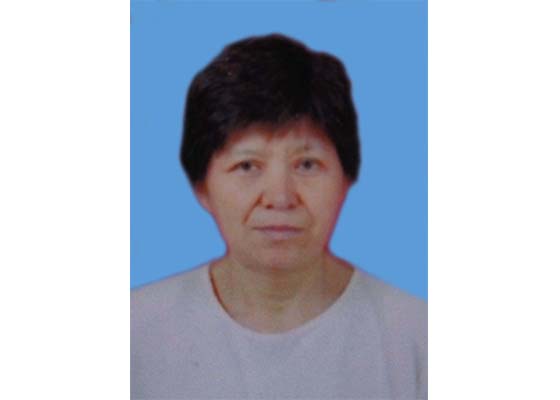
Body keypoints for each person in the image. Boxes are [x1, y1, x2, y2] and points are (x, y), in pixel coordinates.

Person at [131, 33, 427, 400]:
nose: (280, 198)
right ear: (202, 187)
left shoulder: (417, 337)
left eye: (307, 164)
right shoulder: (134, 332)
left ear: (346, 179)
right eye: (247, 166)